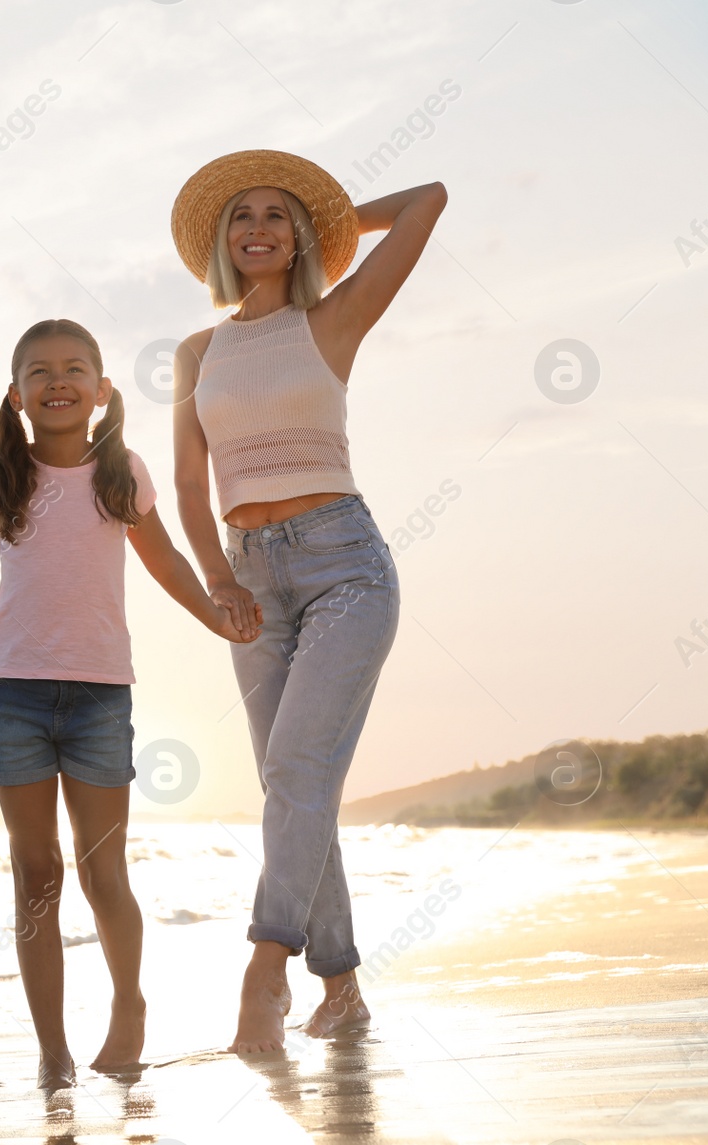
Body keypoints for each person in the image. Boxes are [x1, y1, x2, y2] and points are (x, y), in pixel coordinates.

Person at [168, 149, 447, 1053]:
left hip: (345, 567)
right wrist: (216, 577)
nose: (257, 228)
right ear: (221, 239)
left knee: (294, 770)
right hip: (249, 577)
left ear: (297, 240)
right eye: (242, 216)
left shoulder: (335, 319)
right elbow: (185, 478)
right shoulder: (197, 351)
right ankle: (344, 990)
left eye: (276, 217)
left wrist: (334, 220)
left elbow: (428, 201)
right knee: (296, 783)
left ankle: (264, 969)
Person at [0, 319, 253, 1087]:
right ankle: (52, 1051)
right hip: (12, 692)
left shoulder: (122, 471)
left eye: (76, 368)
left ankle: (129, 1004)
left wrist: (216, 613)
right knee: (35, 872)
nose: (58, 380)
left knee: (104, 871)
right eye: (40, 371)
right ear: (17, 395)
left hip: (101, 694)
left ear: (103, 391)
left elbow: (166, 558)